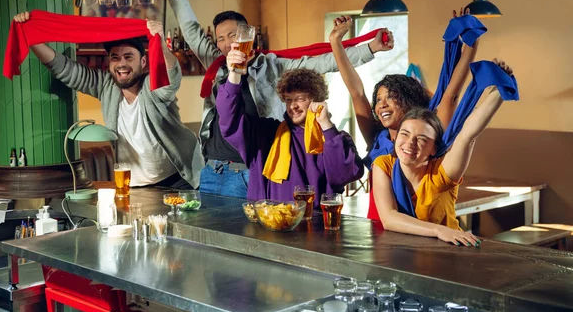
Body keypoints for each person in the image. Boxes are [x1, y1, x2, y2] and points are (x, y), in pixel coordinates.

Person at [169, 0, 394, 198]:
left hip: (248, 171)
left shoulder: (273, 65)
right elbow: (192, 32)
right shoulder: (218, 65)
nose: (227, 44)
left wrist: (370, 48)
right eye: (220, 39)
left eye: (233, 35)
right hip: (211, 170)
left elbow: (323, 61)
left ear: (249, 34)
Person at [12, 12, 203, 190]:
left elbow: (171, 76)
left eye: (129, 57)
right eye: (115, 58)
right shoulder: (106, 86)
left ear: (143, 62)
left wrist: (160, 43)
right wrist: (29, 33)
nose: (121, 64)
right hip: (135, 184)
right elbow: (64, 69)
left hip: (179, 178)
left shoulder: (153, 86)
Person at [329, 12, 483, 219]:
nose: (382, 105)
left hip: (424, 230)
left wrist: (473, 41)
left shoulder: (430, 136)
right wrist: (335, 42)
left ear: (410, 101)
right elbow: (356, 92)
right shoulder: (377, 138)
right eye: (379, 99)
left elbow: (451, 95)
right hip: (379, 229)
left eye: (391, 97)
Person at [372, 60, 514, 245]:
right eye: (405, 134)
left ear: (433, 149)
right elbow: (389, 218)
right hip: (402, 254)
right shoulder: (384, 165)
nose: (410, 143)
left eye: (422, 139)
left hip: (448, 251)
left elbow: (467, 136)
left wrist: (500, 89)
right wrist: (439, 230)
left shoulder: (441, 173)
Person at [216, 52, 364, 204]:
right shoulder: (267, 134)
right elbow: (230, 120)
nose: (293, 106)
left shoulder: (335, 138)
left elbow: (343, 175)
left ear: (316, 100)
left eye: (300, 99)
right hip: (268, 222)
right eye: (288, 100)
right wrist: (234, 75)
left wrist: (326, 126)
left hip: (315, 225)